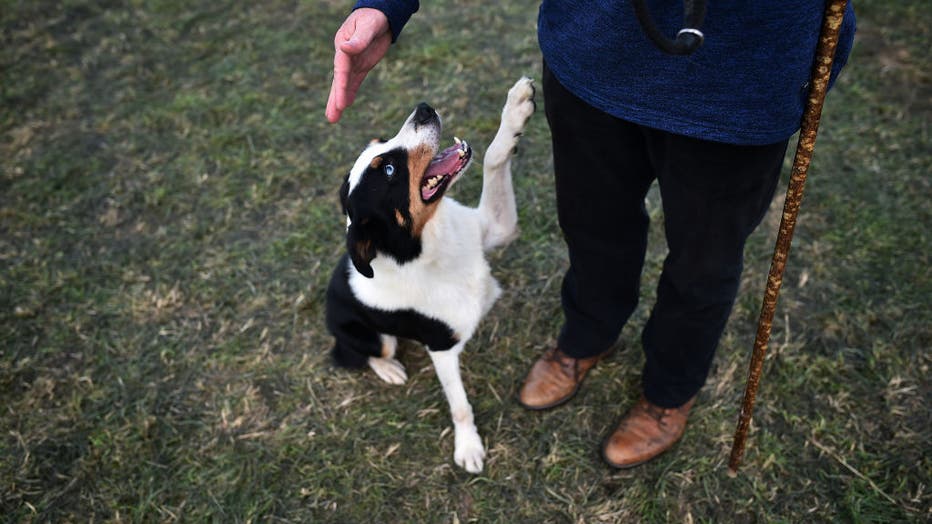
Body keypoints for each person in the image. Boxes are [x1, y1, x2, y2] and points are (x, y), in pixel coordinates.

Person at [326, 1, 855, 468]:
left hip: (742, 77)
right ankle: (587, 336)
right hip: (594, 54)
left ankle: (670, 389)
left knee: (704, 261)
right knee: (592, 225)